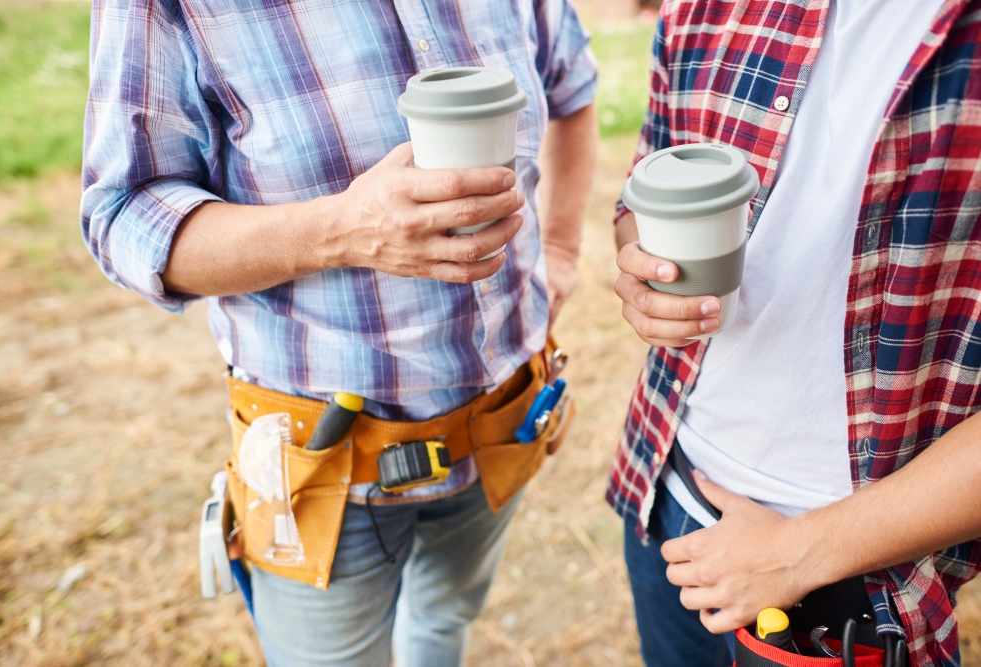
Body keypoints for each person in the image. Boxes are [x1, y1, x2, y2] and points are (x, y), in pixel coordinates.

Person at [80, 1, 597, 665]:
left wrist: (560, 248)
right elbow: (122, 214)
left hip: (502, 425)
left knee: (442, 624)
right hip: (320, 466)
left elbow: (571, 88)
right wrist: (343, 230)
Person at [609, 1, 981, 666]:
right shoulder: (700, 8)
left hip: (858, 579)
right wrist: (641, 262)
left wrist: (798, 551)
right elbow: (645, 185)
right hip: (670, 495)